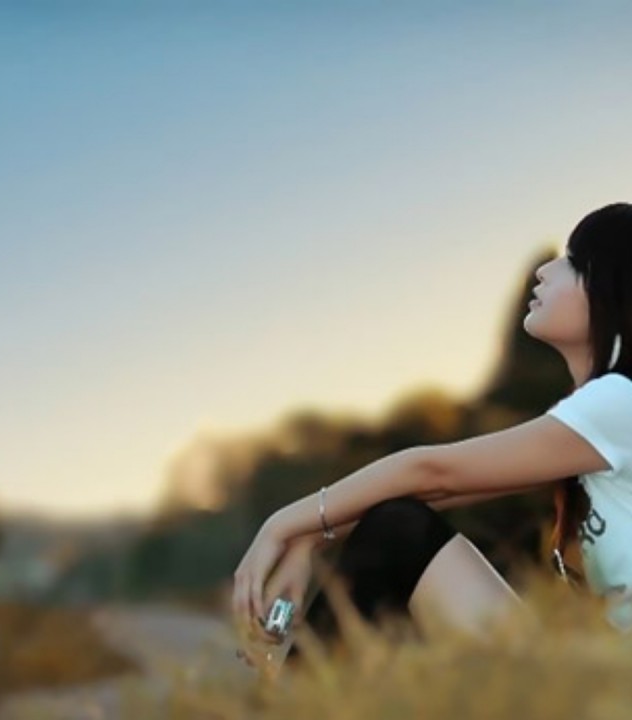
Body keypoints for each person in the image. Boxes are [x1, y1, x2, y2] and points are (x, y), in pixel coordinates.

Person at [232, 201, 632, 668]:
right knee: (396, 522)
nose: (546, 270)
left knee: (398, 531)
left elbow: (431, 471)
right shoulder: (601, 418)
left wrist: (280, 526)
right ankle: (295, 689)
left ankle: (292, 698)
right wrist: (309, 540)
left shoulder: (618, 402)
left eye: (573, 262)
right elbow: (440, 490)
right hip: (605, 665)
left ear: (611, 295)